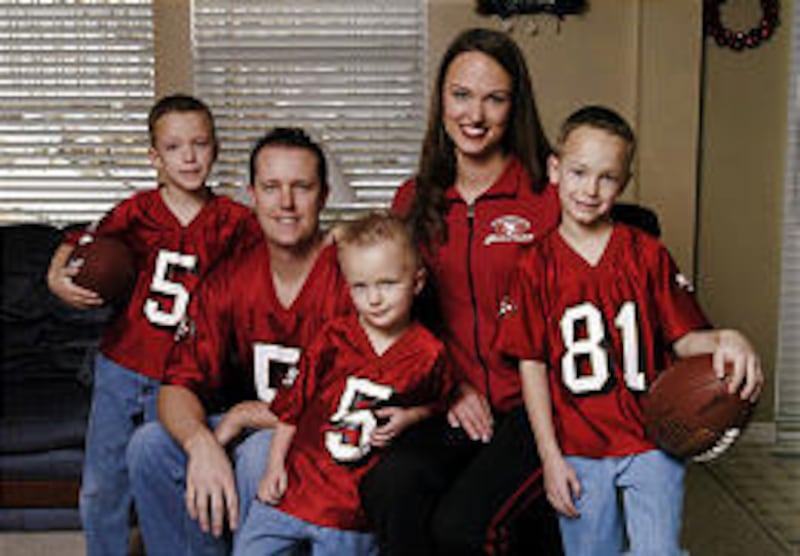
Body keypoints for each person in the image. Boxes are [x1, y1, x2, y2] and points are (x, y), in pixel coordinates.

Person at [496, 105, 764, 556]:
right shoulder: (532, 265)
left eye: (607, 177)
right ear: (555, 169)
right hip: (578, 444)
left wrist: (725, 339)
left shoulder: (648, 254)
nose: (590, 189)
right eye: (579, 172)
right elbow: (533, 364)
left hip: (652, 438)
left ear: (624, 182)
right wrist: (549, 455)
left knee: (658, 551)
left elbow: (684, 341)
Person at [359, 28, 563, 554]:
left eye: (494, 98)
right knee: (392, 484)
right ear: (441, 100)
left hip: (534, 408)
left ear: (514, 106)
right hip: (451, 402)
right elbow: (398, 319)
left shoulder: (549, 195)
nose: (475, 114)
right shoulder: (413, 198)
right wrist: (452, 388)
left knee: (461, 527)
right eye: (461, 95)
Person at [45, 93, 257, 556]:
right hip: (125, 364)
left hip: (189, 375)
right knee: (104, 484)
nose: (189, 156)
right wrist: (56, 276)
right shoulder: (135, 211)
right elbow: (78, 242)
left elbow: (276, 265)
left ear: (216, 149)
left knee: (174, 473)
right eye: (175, 147)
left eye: (200, 144)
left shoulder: (235, 221)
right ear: (154, 157)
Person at [127, 127, 353, 556]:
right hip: (249, 429)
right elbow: (177, 386)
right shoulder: (231, 278)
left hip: (320, 441)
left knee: (258, 452)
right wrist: (200, 444)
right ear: (252, 194)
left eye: (301, 187)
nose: (285, 203)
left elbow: (358, 396)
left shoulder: (352, 275)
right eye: (271, 188)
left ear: (323, 196)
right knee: (150, 446)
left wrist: (252, 414)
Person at [234, 211, 452, 556]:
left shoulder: (429, 352)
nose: (374, 299)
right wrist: (274, 465)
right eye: (360, 287)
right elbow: (293, 407)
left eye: (387, 284)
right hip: (296, 488)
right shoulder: (333, 337)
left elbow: (439, 405)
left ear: (418, 282)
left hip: (351, 511)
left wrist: (411, 417)